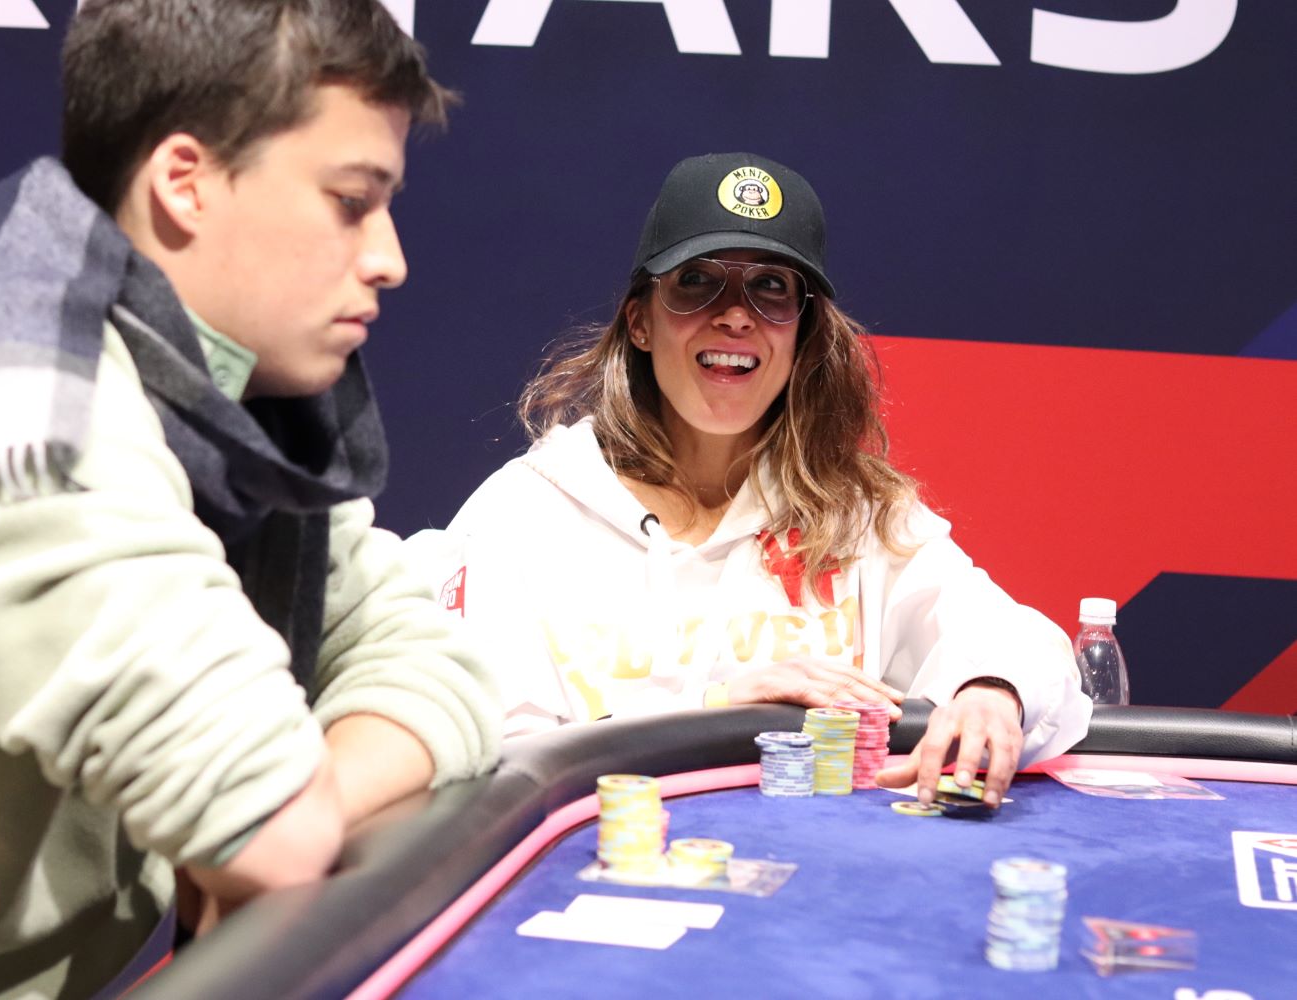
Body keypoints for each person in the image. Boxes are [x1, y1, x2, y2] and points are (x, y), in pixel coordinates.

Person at [0, 2, 500, 997]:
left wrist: (317, 796)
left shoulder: (224, 407)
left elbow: (438, 668)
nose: (389, 257)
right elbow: (268, 822)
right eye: (352, 200)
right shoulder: (4, 405)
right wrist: (282, 817)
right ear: (185, 182)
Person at [411, 151, 1089, 808]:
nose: (735, 314)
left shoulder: (854, 513)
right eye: (697, 281)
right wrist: (717, 711)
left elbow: (1019, 640)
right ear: (640, 321)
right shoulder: (524, 514)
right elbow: (490, 768)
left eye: (770, 288)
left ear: (801, 336)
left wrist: (992, 689)